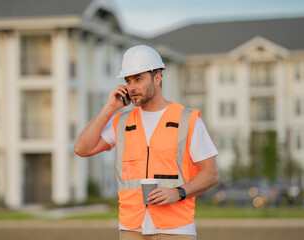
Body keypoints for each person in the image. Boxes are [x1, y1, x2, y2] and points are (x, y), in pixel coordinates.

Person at [74, 45, 219, 240]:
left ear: (157, 78)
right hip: (131, 228)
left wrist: (179, 192)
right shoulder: (122, 122)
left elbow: (211, 173)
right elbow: (82, 148)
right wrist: (109, 108)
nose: (131, 87)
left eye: (138, 79)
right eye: (128, 80)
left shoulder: (188, 120)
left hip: (176, 229)